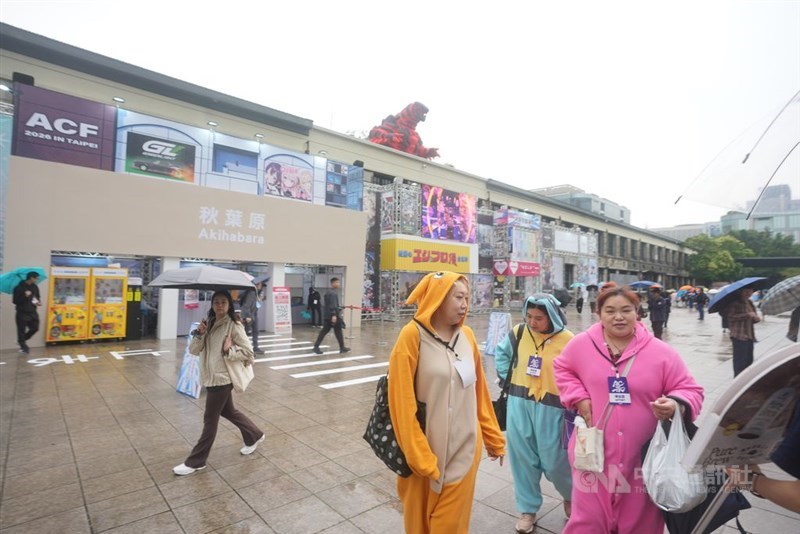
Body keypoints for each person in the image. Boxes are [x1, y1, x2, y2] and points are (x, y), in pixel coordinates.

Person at [553, 283, 704, 534]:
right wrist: (578, 396)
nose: (619, 317)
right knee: (587, 521)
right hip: (592, 453)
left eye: (626, 310)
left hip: (641, 459)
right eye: (610, 311)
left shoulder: (660, 352)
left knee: (639, 522)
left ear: (638, 312)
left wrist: (675, 404)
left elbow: (691, 389)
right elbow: (562, 368)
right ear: (598, 313)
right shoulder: (581, 345)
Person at [388, 271, 505, 533]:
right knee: (419, 526)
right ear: (438, 298)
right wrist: (419, 456)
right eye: (458, 297)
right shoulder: (411, 336)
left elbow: (479, 393)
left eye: (467, 297)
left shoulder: (468, 337)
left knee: (449, 526)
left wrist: (493, 437)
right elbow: (401, 402)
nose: (465, 304)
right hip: (424, 454)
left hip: (464, 450)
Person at [494, 294, 573, 533]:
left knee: (555, 461)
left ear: (552, 317)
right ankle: (527, 509)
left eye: (539, 318)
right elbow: (501, 354)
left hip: (554, 407)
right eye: (529, 316)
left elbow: (579, 371)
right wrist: (507, 382)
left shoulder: (569, 341)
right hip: (520, 404)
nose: (532, 322)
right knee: (522, 459)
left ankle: (571, 497)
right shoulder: (519, 333)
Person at [173, 290, 265, 476]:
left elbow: (249, 353)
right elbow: (193, 350)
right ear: (212, 304)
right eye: (216, 302)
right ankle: (255, 435)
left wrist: (228, 351)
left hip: (222, 378)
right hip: (210, 376)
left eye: (223, 302)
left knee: (210, 419)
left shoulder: (233, 325)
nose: (220, 305)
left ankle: (196, 461)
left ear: (229, 305)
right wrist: (199, 334)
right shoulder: (208, 323)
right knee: (228, 411)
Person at [725, 287, 761, 376]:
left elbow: (753, 317)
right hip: (739, 336)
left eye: (750, 291)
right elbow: (731, 317)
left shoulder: (750, 302)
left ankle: (745, 381)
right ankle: (737, 381)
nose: (748, 293)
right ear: (741, 292)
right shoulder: (735, 303)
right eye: (746, 291)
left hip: (749, 336)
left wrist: (756, 318)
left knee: (749, 361)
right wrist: (747, 315)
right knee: (740, 363)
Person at [312, 277, 350, 354]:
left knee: (335, 331)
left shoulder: (329, 292)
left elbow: (330, 305)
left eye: (338, 282)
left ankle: (341, 347)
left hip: (328, 316)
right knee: (331, 331)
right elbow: (332, 305)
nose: (338, 284)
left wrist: (338, 308)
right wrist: (334, 315)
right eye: (337, 282)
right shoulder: (332, 293)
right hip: (332, 316)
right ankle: (316, 347)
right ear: (332, 283)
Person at [13, 271, 42, 353]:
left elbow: (37, 297)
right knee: (21, 330)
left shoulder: (35, 287)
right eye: (36, 278)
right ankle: (23, 346)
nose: (37, 280)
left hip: (32, 311)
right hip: (22, 312)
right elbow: (15, 301)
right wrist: (24, 296)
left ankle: (21, 340)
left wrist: (38, 302)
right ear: (31, 278)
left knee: (35, 328)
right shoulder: (18, 288)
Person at [239, 281, 264, 353]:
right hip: (248, 315)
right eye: (259, 284)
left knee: (255, 331)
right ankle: (245, 349)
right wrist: (247, 316)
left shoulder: (258, 292)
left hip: (254, 314)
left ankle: (255, 348)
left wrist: (259, 299)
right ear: (255, 284)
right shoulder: (251, 293)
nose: (260, 285)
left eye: (261, 284)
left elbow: (256, 305)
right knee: (246, 333)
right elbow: (246, 305)